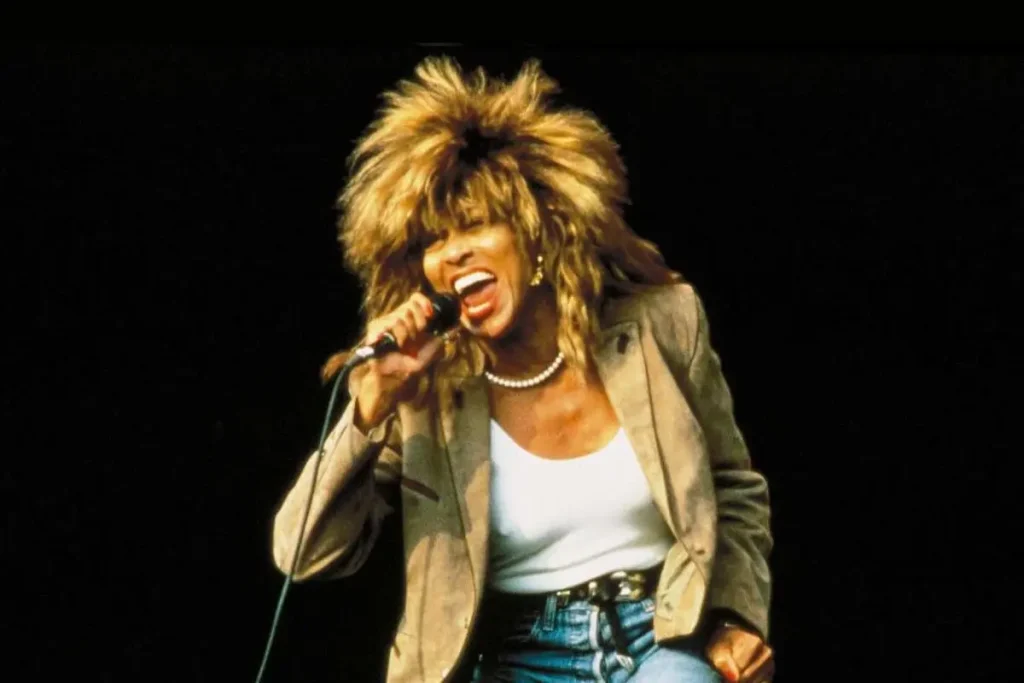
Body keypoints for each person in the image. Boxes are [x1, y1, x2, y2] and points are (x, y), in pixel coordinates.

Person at [271, 56, 774, 683]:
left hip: (663, 633)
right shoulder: (426, 391)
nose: (453, 253)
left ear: (538, 230)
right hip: (511, 658)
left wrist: (734, 617)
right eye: (432, 240)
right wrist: (369, 410)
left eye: (476, 224)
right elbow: (302, 555)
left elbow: (734, 487)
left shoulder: (662, 325)